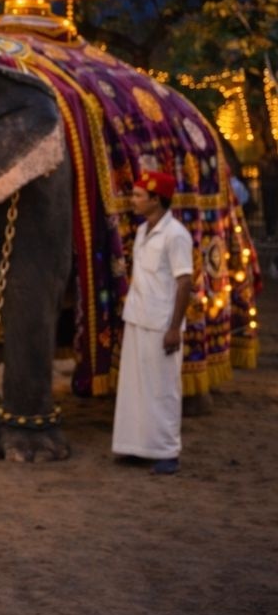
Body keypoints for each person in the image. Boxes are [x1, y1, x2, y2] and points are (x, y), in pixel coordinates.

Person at [113, 170, 193, 475]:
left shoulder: (176, 235)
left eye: (138, 196)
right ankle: (137, 446)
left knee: (163, 389)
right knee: (135, 388)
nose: (133, 201)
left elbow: (184, 282)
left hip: (161, 323)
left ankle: (168, 450)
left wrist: (174, 327)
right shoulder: (145, 231)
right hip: (137, 317)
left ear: (156, 199)